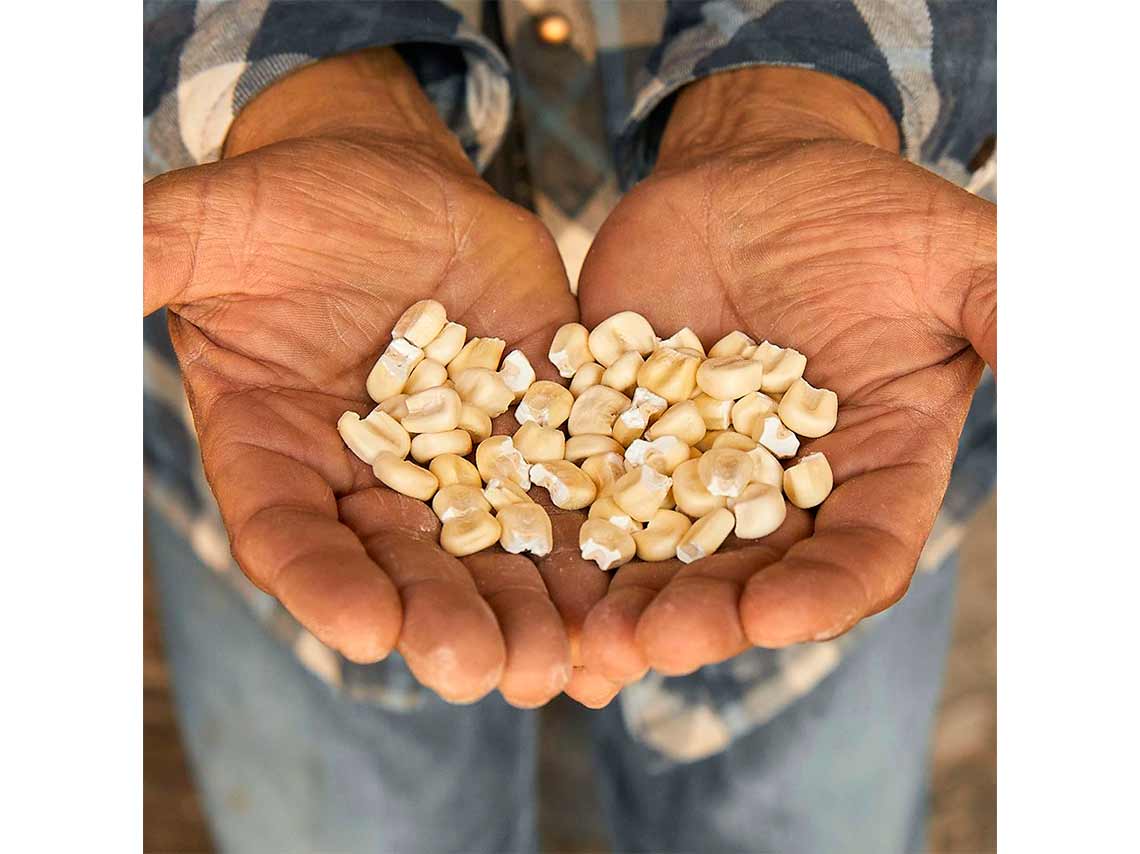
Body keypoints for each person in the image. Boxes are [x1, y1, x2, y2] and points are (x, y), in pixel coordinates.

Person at [144, 2, 996, 851]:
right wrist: (307, 94)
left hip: (865, 318)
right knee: (361, 810)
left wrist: (802, 97)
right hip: (286, 349)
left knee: (795, 801)